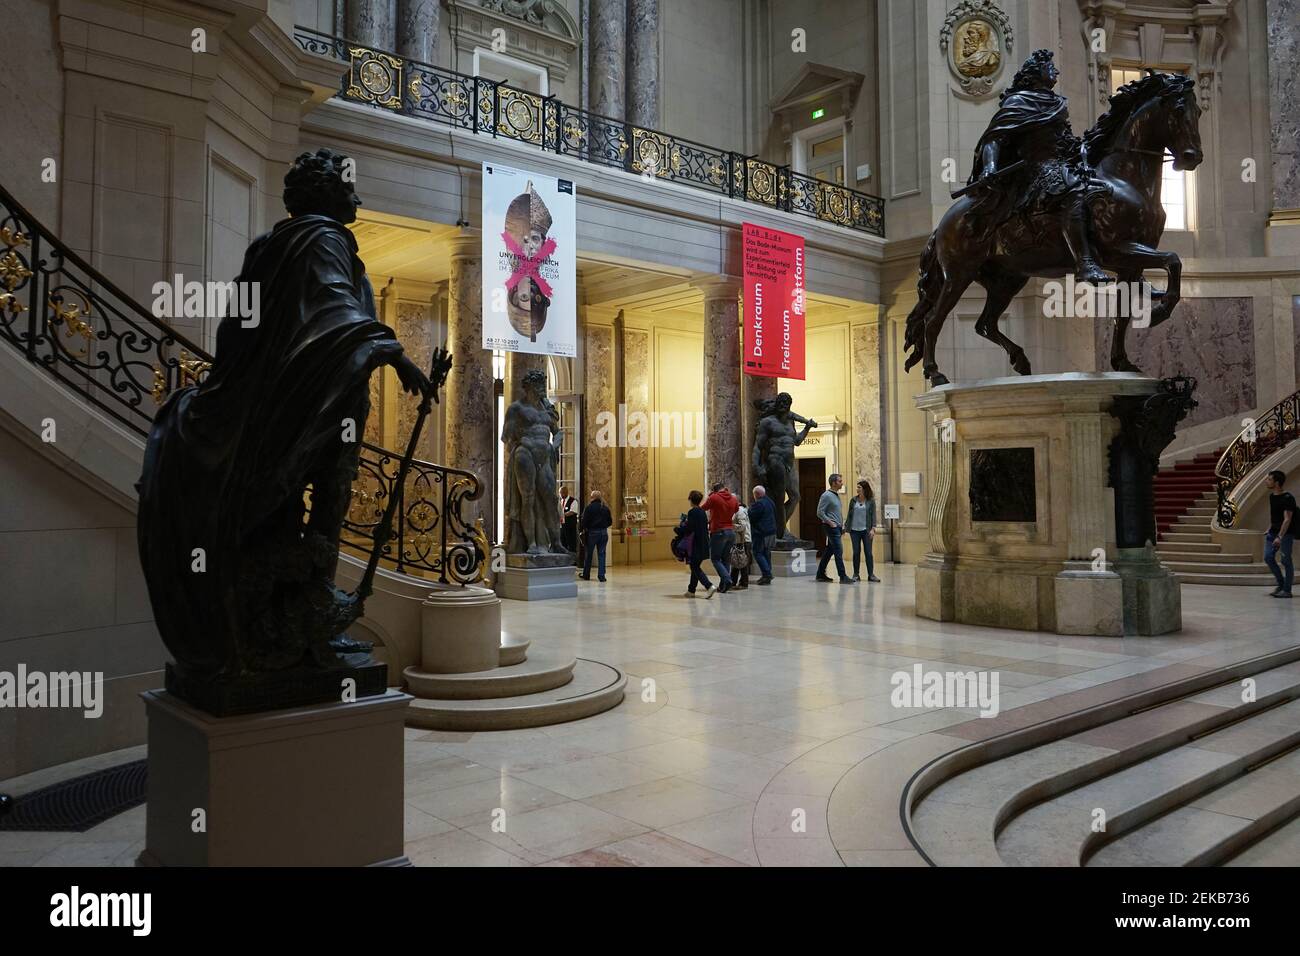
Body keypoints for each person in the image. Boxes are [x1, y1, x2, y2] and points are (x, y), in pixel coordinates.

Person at [815, 473, 854, 584]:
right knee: (838, 550)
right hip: (831, 527)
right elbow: (819, 512)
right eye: (840, 481)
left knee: (829, 551)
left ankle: (820, 574)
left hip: (837, 527)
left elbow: (836, 513)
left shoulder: (835, 495)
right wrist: (830, 522)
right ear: (833, 483)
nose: (842, 483)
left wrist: (841, 526)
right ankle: (842, 576)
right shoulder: (826, 495)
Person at [702, 480, 740, 593]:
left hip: (718, 531)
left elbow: (703, 507)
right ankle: (723, 585)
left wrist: (710, 496)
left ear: (714, 490)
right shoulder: (733, 498)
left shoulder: (714, 497)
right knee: (726, 559)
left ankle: (727, 579)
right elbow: (737, 509)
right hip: (731, 532)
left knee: (715, 559)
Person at [1264, 470, 1295, 599]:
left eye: (1269, 479)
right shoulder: (1272, 496)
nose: (1267, 481)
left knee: (1286, 560)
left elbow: (1287, 519)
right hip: (1273, 532)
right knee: (1268, 557)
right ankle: (1281, 584)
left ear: (1276, 483)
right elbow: (1274, 516)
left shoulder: (1288, 498)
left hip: (1285, 534)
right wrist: (1269, 528)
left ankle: (1287, 590)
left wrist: (1280, 537)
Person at [682, 491, 716, 598]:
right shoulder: (702, 512)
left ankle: (709, 586)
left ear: (691, 500)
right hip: (704, 543)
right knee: (695, 566)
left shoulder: (692, 512)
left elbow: (690, 529)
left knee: (695, 567)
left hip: (696, 544)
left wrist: (682, 526)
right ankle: (691, 590)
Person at [845, 479, 881, 583]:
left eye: (859, 487)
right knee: (856, 552)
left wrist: (873, 528)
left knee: (868, 553)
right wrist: (846, 527)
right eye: (857, 487)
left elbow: (874, 516)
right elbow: (849, 515)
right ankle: (856, 574)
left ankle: (871, 575)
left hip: (866, 530)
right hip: (854, 531)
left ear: (864, 489)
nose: (857, 489)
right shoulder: (853, 500)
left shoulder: (871, 501)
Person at [579, 490, 611, 582]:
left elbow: (584, 522)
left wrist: (584, 529)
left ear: (592, 497)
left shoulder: (589, 508)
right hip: (604, 532)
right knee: (602, 554)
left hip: (592, 533)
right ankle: (601, 576)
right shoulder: (605, 508)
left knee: (589, 554)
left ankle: (586, 574)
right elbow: (610, 521)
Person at [748, 485, 776, 585]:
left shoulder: (758, 504)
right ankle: (767, 574)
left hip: (761, 533)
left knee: (758, 553)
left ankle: (767, 574)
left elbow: (751, 516)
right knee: (766, 553)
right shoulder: (770, 502)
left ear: (757, 494)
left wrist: (749, 509)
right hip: (771, 532)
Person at [733, 497, 753, 590]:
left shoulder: (740, 511)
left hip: (743, 540)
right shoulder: (737, 510)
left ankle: (744, 583)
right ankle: (732, 581)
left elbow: (742, 526)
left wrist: (730, 525)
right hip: (739, 539)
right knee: (736, 561)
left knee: (742, 562)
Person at [559, 485, 579, 552]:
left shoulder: (573, 501)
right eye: (560, 493)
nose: (560, 495)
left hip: (570, 526)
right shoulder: (561, 501)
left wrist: (562, 515)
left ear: (566, 492)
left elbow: (572, 512)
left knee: (571, 543)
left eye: (562, 493)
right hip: (562, 526)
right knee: (563, 543)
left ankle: (572, 560)